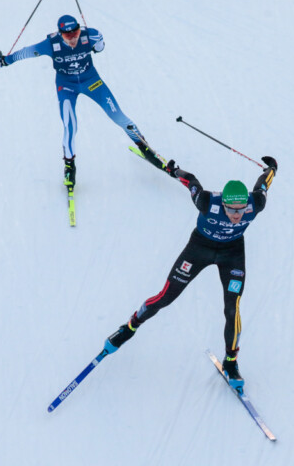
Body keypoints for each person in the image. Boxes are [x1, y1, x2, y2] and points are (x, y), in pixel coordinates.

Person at [102, 155, 278, 389]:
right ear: (223, 204)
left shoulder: (255, 203)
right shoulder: (207, 202)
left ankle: (231, 362)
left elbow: (263, 184)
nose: (237, 215)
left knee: (232, 308)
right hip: (200, 248)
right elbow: (191, 181)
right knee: (165, 296)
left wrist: (272, 168)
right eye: (232, 209)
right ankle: (130, 326)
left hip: (232, 253)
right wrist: (174, 170)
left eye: (241, 209)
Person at [0, 15, 167, 188]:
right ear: (60, 33)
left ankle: (144, 147)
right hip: (67, 86)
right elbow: (27, 51)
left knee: (118, 116)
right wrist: (7, 60)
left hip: (92, 82)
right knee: (70, 126)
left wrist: (99, 44)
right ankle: (69, 167)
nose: (73, 38)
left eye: (76, 33)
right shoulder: (51, 44)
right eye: (67, 36)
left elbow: (100, 46)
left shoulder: (89, 35)